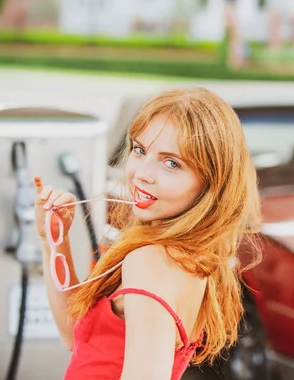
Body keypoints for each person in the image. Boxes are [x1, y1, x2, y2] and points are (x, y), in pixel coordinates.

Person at [34, 87, 262, 379]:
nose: (143, 173)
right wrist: (55, 240)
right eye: (140, 150)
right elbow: (75, 336)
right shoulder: (185, 256)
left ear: (210, 184)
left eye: (172, 163)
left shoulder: (151, 261)